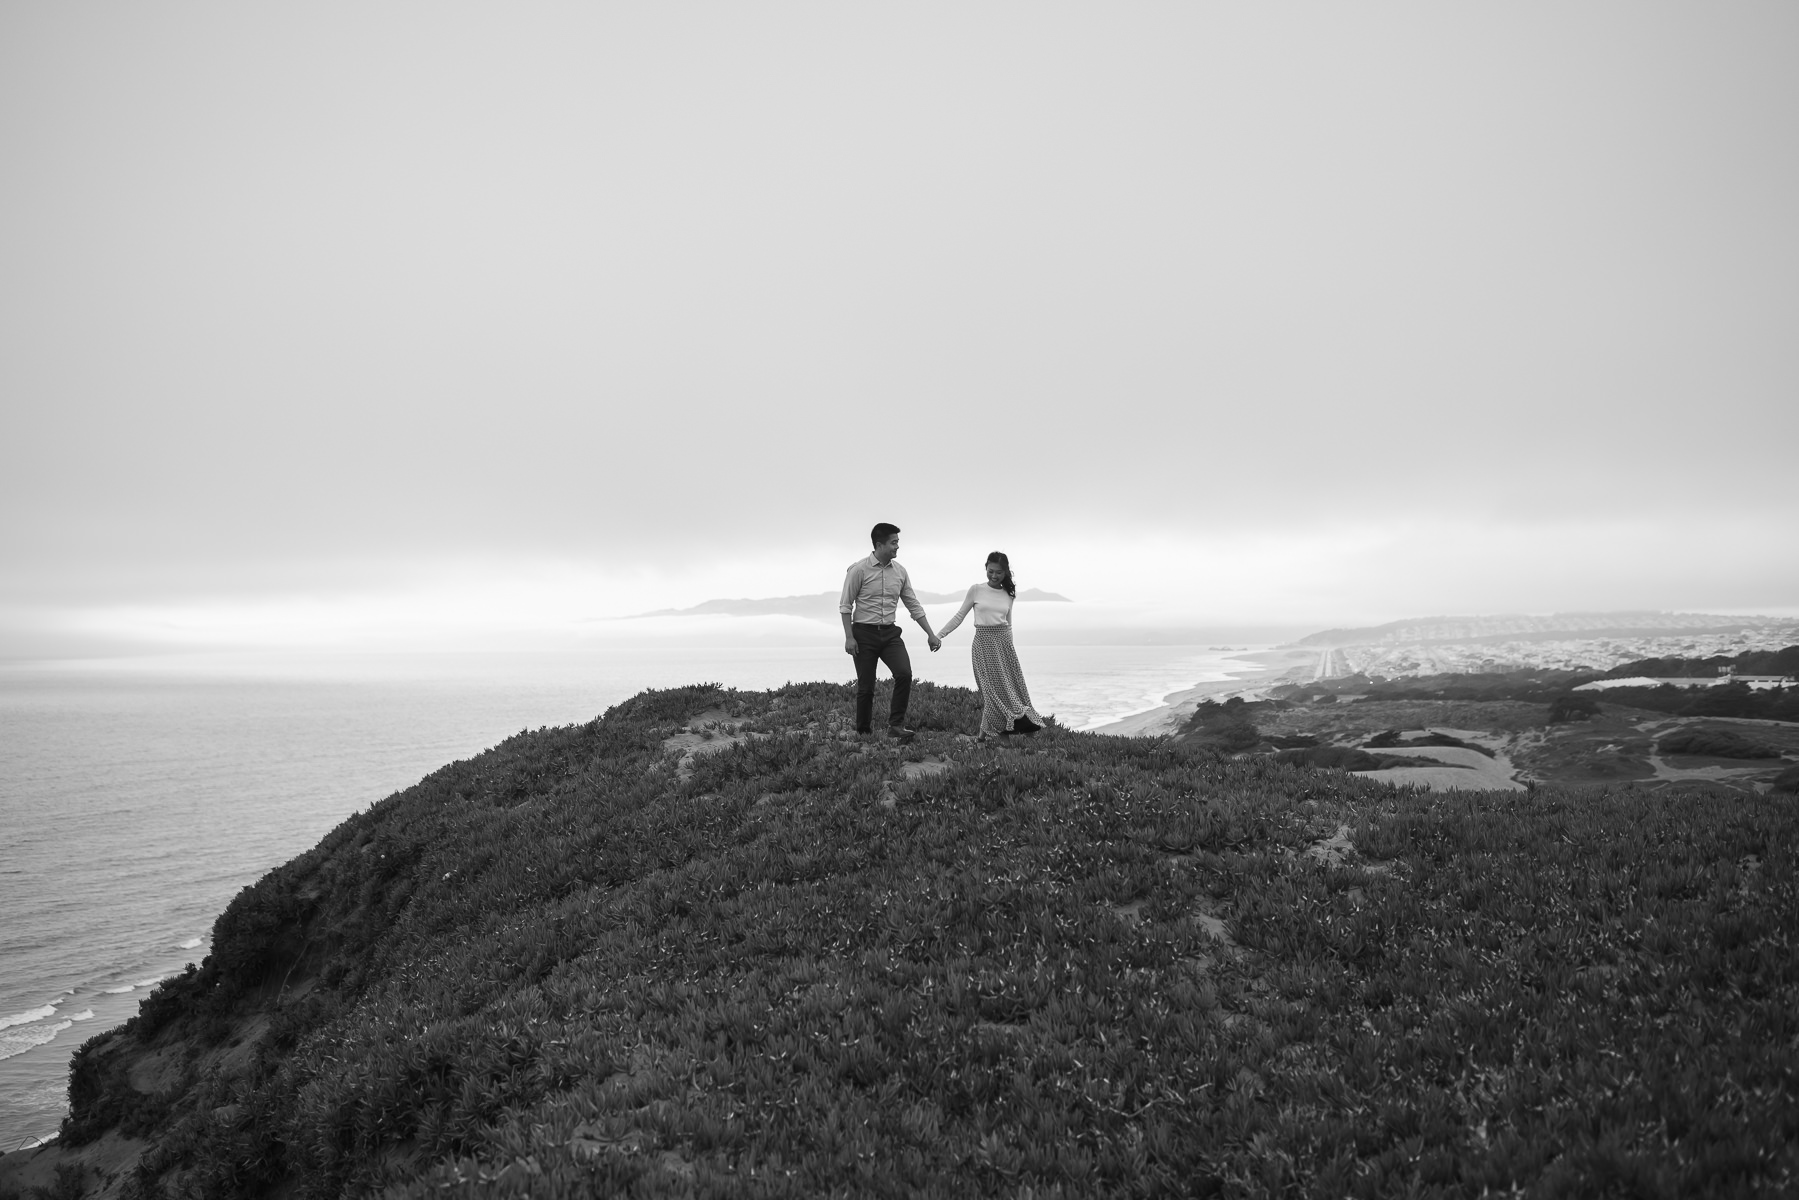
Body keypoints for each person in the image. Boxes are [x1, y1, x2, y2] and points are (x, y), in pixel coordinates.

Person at [840, 523, 941, 742]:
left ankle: (896, 726)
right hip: (863, 634)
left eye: (897, 542)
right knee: (866, 686)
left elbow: (913, 605)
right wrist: (849, 637)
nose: (897, 547)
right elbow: (846, 605)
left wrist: (930, 634)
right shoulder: (858, 570)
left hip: (890, 634)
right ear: (879, 545)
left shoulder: (900, 572)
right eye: (893, 543)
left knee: (904, 674)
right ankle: (863, 733)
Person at [936, 551, 1045, 740]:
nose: (994, 576)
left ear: (1006, 572)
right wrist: (939, 635)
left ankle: (982, 737)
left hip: (1004, 645)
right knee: (990, 693)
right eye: (991, 571)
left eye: (999, 572)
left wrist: (1009, 650)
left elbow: (1009, 624)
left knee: (1011, 690)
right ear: (985, 568)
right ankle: (1001, 734)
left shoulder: (1009, 594)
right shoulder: (976, 590)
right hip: (983, 644)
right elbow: (959, 616)